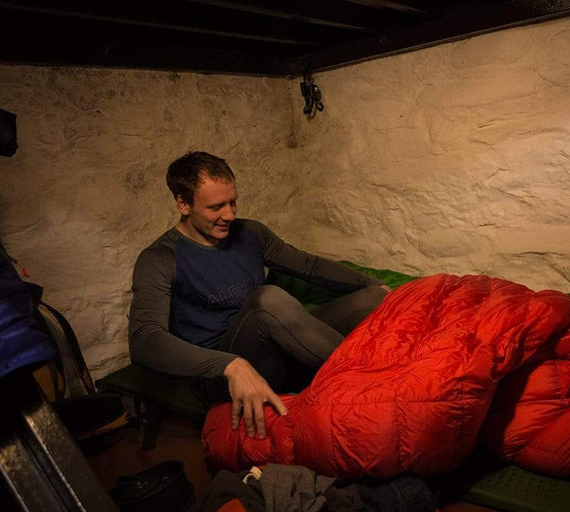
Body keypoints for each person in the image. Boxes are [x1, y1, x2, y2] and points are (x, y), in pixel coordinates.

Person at [128, 152, 389, 439]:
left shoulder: (250, 233)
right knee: (269, 300)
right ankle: (376, 381)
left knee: (373, 298)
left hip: (277, 351)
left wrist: (375, 284)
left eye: (232, 202)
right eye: (216, 207)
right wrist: (229, 364)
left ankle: (372, 366)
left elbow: (309, 266)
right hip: (224, 375)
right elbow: (144, 340)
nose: (229, 215)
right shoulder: (160, 258)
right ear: (183, 204)